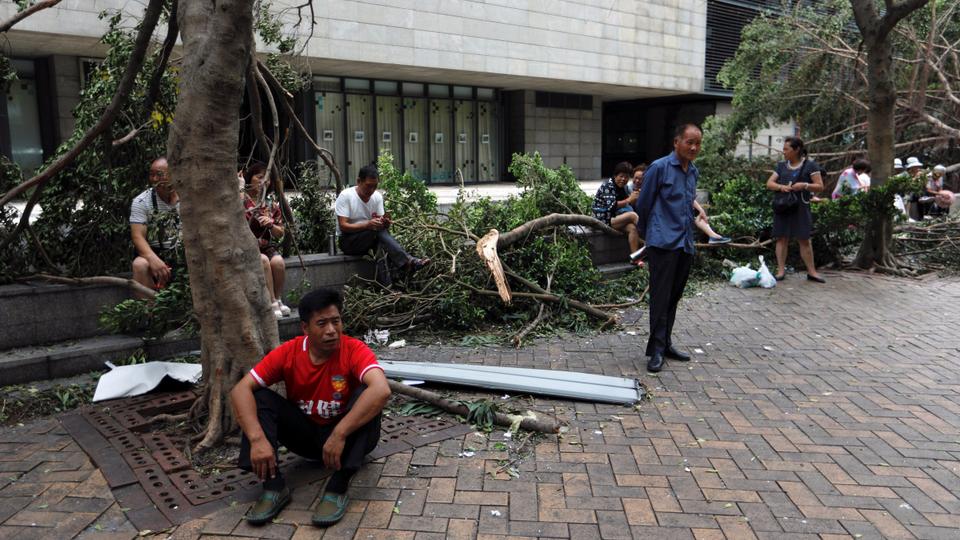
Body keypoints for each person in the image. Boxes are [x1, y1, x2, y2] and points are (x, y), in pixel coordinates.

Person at [230, 288, 391, 527]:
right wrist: (256, 439)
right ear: (305, 328)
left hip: (349, 440)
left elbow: (382, 390)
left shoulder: (354, 349)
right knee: (261, 398)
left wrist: (340, 433)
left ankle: (338, 486)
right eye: (322, 323)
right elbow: (240, 390)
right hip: (308, 437)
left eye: (336, 321)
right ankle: (273, 486)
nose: (331, 330)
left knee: (367, 396)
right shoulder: (289, 353)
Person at [634, 124, 713, 373]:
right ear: (676, 142)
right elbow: (643, 205)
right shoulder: (659, 168)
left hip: (684, 242)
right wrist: (650, 238)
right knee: (660, 296)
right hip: (663, 243)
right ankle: (656, 351)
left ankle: (665, 343)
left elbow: (686, 204)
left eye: (698, 143)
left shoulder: (693, 172)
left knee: (674, 296)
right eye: (689, 142)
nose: (694, 147)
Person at [335, 165, 429, 285]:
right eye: (368, 186)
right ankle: (408, 262)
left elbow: (379, 226)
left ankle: (388, 287)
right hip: (348, 242)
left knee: (380, 244)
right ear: (359, 181)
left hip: (370, 238)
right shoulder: (346, 196)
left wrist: (385, 223)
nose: (372, 190)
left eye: (375, 186)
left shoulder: (377, 197)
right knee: (376, 232)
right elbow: (343, 226)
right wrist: (368, 225)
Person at [766, 136, 825, 283]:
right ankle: (780, 271)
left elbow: (820, 186)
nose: (783, 152)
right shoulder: (781, 166)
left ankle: (812, 272)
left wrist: (804, 185)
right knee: (781, 238)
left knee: (804, 239)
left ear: (796, 149)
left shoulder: (810, 166)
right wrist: (781, 187)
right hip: (783, 207)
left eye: (786, 149)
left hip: (801, 207)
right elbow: (769, 183)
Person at [632, 162, 730, 245]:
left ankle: (713, 236)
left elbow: (687, 197)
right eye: (635, 178)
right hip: (652, 221)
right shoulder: (630, 188)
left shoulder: (653, 186)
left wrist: (700, 210)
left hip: (669, 218)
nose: (637, 181)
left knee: (695, 213)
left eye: (640, 179)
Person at [243, 163, 289, 317]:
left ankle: (278, 299)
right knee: (262, 260)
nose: (264, 182)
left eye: (267, 179)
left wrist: (270, 224)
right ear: (250, 178)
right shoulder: (241, 200)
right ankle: (272, 301)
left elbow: (279, 233)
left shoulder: (271, 204)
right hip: (247, 247)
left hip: (266, 246)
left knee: (278, 262)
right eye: (259, 177)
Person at [130, 157, 180, 298]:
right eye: (151, 174)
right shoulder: (142, 201)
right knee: (139, 264)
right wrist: (153, 259)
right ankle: (150, 312)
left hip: (183, 254)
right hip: (156, 253)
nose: (154, 179)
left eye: (159, 174)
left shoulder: (188, 197)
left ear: (173, 175)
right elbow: (137, 236)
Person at [592, 161, 642, 264]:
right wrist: (629, 200)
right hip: (602, 219)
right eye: (621, 176)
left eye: (626, 177)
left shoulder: (624, 188)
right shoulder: (607, 185)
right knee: (632, 216)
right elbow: (611, 206)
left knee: (632, 228)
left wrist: (635, 199)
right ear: (615, 175)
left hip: (615, 218)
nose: (623, 179)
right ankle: (649, 237)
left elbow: (628, 206)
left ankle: (635, 258)